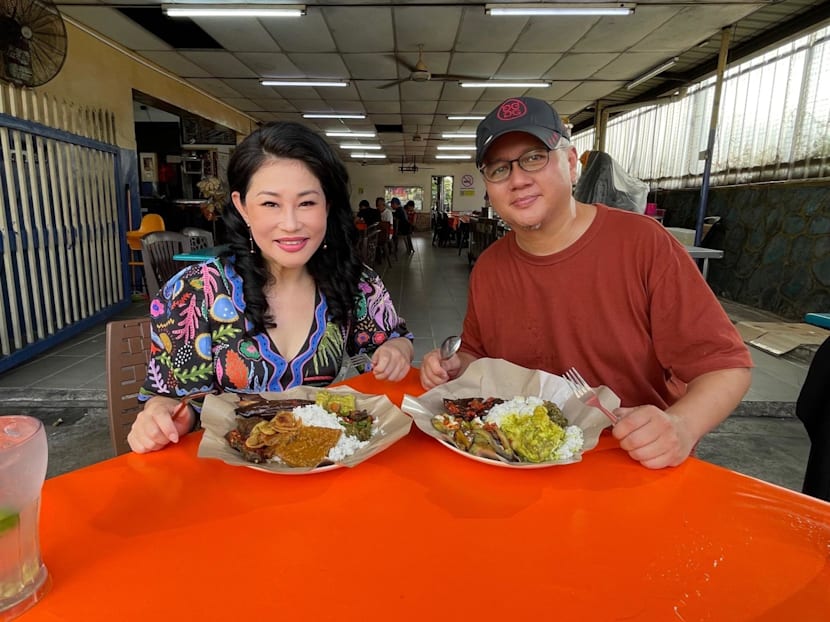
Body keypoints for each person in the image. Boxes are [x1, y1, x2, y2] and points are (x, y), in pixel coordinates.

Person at [420, 96, 752, 469]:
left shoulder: (641, 244)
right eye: (498, 169)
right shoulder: (491, 267)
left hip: (629, 463)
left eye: (534, 157)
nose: (517, 179)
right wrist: (455, 365)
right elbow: (478, 356)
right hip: (519, 463)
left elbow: (724, 366)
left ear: (572, 163)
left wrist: (681, 425)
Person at [129, 121, 414, 453]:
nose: (291, 224)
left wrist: (396, 351)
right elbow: (169, 399)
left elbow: (394, 340)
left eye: (307, 203)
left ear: (328, 204)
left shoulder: (354, 283)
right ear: (241, 206)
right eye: (270, 204)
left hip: (323, 467)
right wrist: (160, 415)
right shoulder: (193, 293)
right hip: (226, 479)